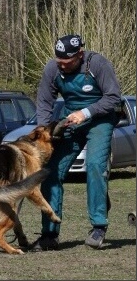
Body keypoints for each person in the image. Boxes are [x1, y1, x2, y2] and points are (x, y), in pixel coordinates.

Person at [31, 34, 121, 251]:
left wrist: (86, 112)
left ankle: (98, 226)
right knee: (51, 172)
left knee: (95, 166)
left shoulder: (97, 64)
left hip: (101, 120)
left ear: (80, 55)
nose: (62, 66)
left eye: (67, 62)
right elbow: (44, 102)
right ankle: (50, 233)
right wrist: (45, 131)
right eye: (59, 61)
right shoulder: (53, 69)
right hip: (72, 120)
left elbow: (113, 98)